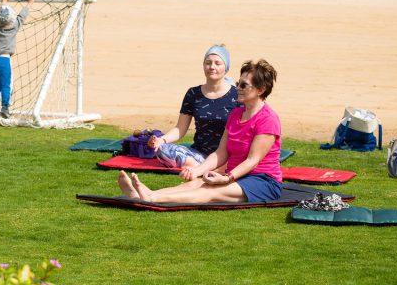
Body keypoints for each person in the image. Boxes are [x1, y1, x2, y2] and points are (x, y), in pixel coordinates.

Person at [118, 59, 283, 205]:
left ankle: (152, 198)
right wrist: (198, 171)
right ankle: (145, 194)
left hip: (262, 181)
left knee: (210, 192)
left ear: (260, 90)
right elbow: (221, 152)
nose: (237, 88)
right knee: (196, 183)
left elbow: (253, 160)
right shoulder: (235, 114)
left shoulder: (268, 119)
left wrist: (227, 178)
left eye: (243, 85)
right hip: (236, 175)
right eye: (238, 83)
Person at [145, 45, 238, 171]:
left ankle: (201, 169)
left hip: (226, 156)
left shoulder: (237, 95)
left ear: (226, 67)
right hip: (198, 155)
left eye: (217, 63)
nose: (212, 67)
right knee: (162, 149)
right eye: (208, 63)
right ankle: (203, 168)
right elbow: (180, 128)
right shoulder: (193, 93)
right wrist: (161, 140)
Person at [0, 0, 34, 118]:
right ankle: (5, 108)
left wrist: (4, 0)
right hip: (4, 61)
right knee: (6, 85)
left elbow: (0, 13)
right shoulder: (14, 27)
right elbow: (22, 16)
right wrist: (30, 3)